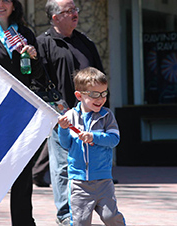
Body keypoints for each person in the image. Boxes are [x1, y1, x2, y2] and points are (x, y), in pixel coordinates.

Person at [0, 0, 44, 225]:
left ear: (14, 5)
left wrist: (33, 57)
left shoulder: (25, 34)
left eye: (6, 0)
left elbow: (38, 75)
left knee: (22, 176)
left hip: (20, 113)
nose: (0, 4)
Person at [35, 0, 106, 225]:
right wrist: (56, 112)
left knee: (89, 165)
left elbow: (101, 78)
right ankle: (66, 216)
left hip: (90, 118)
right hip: (62, 118)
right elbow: (38, 81)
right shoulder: (43, 44)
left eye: (75, 9)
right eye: (69, 11)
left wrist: (102, 111)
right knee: (63, 167)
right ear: (55, 17)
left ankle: (87, 210)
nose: (75, 14)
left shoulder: (86, 42)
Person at [57, 67, 125, 225]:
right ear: (79, 95)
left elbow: (114, 139)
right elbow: (65, 144)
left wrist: (94, 137)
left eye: (104, 93)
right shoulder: (70, 116)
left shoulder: (107, 116)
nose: (100, 99)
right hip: (79, 183)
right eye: (95, 94)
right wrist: (63, 129)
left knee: (111, 217)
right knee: (80, 221)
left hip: (103, 181)